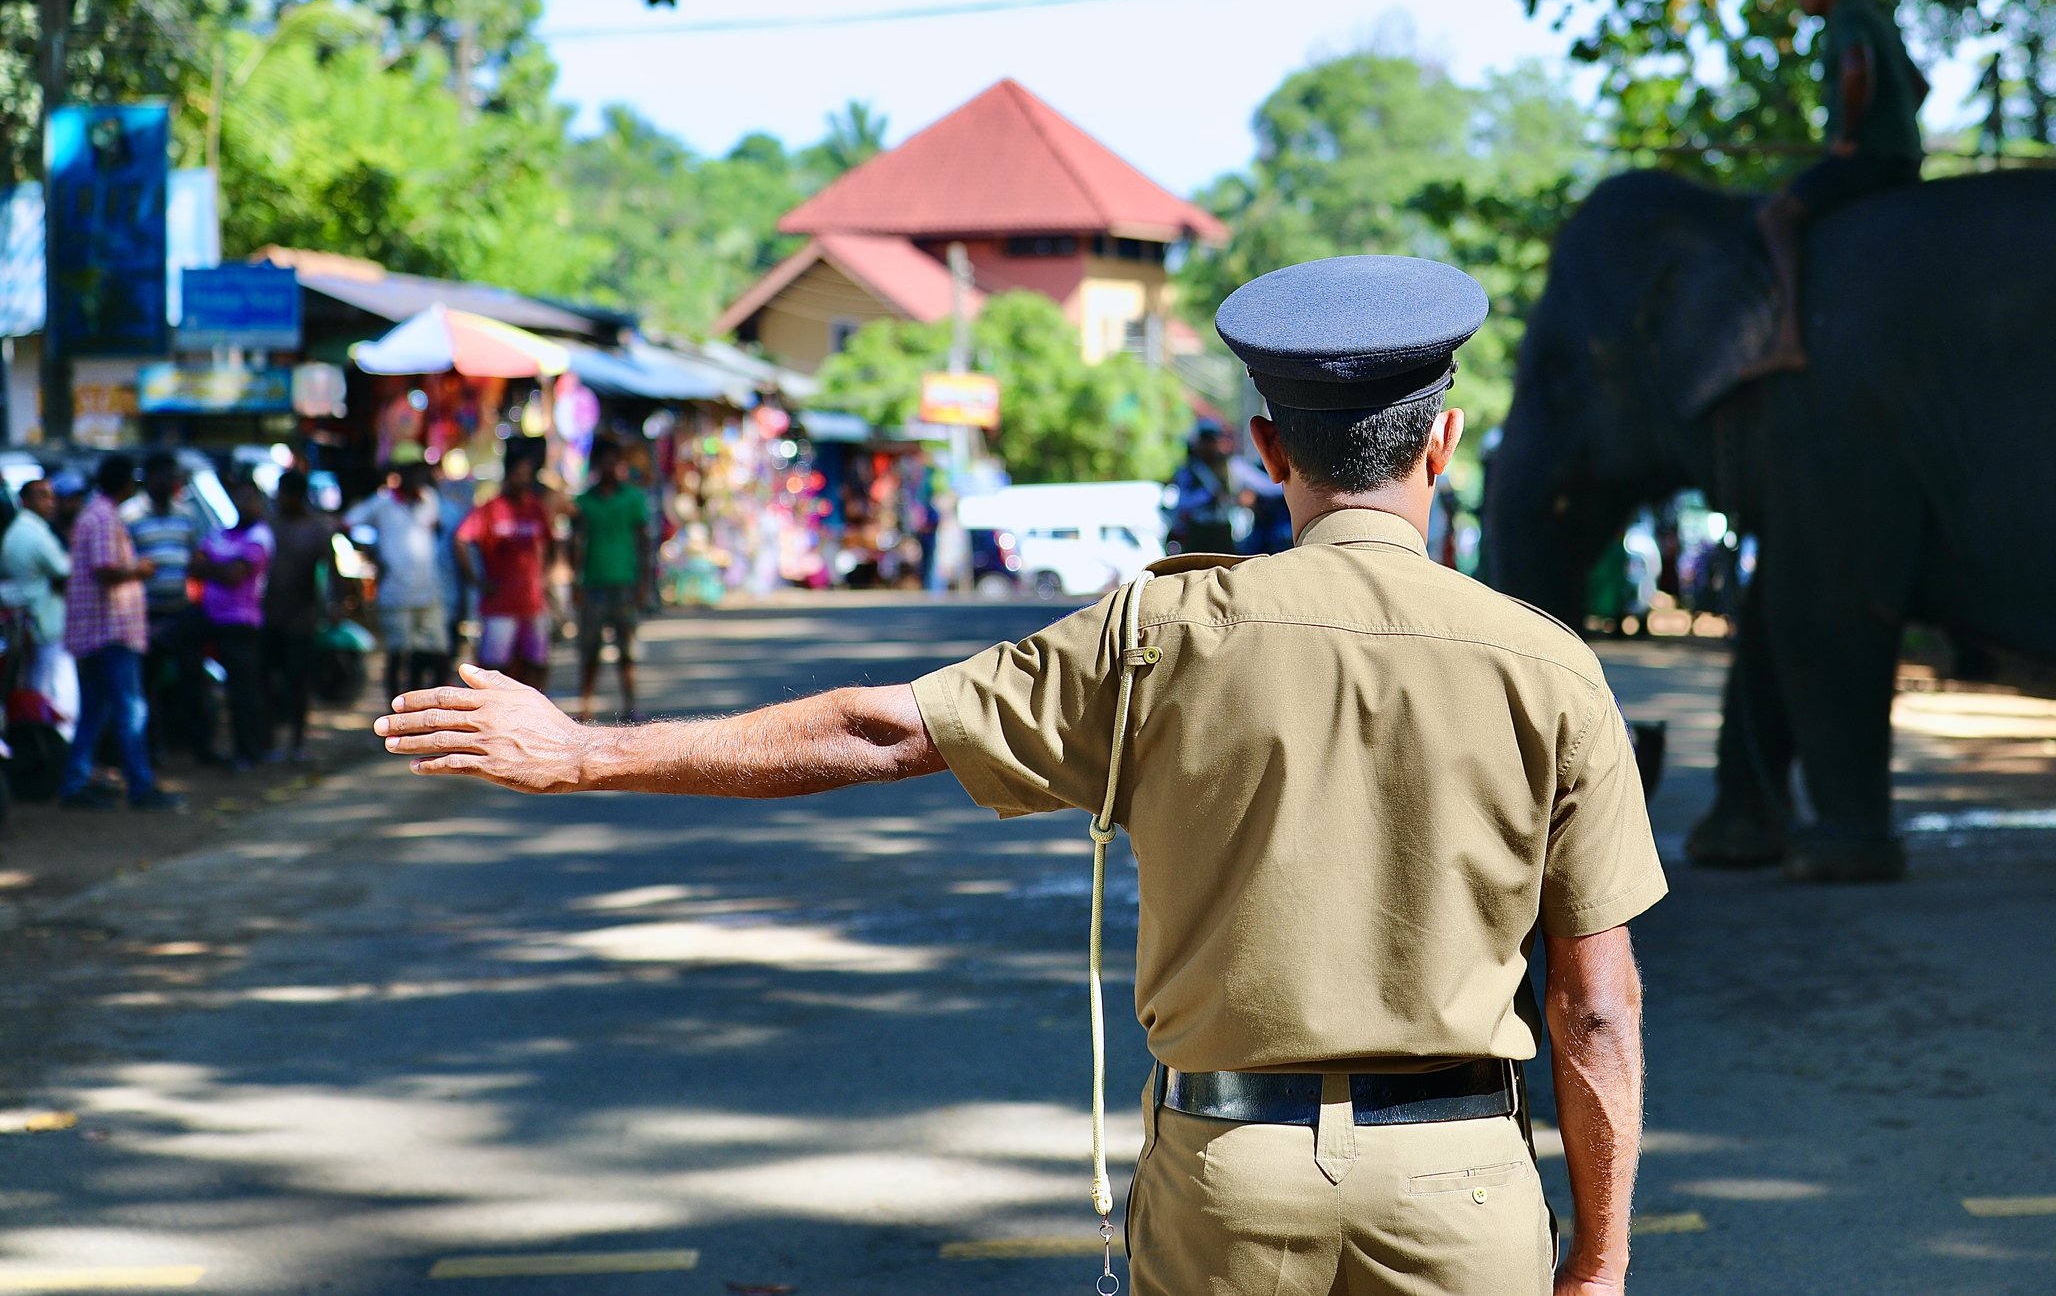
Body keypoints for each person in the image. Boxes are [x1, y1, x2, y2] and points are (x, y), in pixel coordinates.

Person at [378, 254, 1665, 1296]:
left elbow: (884, 730)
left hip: (1231, 1184)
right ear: (1444, 439)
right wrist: (1597, 1261)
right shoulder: (1546, 666)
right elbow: (1593, 1008)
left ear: (1270, 446)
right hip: (1461, 1193)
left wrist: (589, 750)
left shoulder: (1158, 631)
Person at [1750, 0, 1931, 375]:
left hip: (1870, 159)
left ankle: (1789, 336)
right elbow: (1920, 87)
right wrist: (1893, 125)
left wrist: (1850, 135)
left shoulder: (1845, 17)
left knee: (1775, 217)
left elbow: (1855, 67)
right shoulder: (1875, 15)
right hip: (1902, 157)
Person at [61, 454, 181, 811]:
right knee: (131, 709)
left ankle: (76, 782)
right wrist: (140, 570)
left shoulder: (97, 514)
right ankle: (141, 787)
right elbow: (105, 570)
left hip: (100, 630)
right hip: (108, 629)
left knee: (96, 710)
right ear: (127, 483)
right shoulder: (102, 517)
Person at [127, 452, 210, 764]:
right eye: (162, 475)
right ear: (148, 478)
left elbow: (197, 554)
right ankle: (152, 751)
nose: (168, 481)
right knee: (147, 688)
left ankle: (200, 747)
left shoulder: (185, 514)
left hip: (180, 611)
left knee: (194, 682)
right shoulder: (130, 515)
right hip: (146, 615)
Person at [346, 455, 449, 697]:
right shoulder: (382, 503)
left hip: (428, 591)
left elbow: (436, 529)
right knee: (398, 656)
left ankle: (425, 709)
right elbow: (347, 525)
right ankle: (395, 714)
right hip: (396, 593)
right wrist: (371, 553)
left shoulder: (429, 499)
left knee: (435, 654)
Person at [193, 474, 275, 770]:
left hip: (242, 623)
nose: (244, 503)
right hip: (212, 619)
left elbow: (234, 575)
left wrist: (214, 567)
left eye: (250, 498)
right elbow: (197, 565)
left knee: (244, 691)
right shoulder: (222, 532)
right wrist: (222, 568)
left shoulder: (261, 535)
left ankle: (249, 751)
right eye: (239, 497)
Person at [456, 453, 556, 690]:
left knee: (537, 661)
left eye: (526, 475)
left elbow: (550, 543)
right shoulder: (491, 509)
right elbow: (461, 538)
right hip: (499, 603)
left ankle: (537, 708)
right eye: (517, 474)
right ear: (507, 475)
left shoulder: (535, 508)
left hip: (532, 602)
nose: (521, 480)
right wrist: (475, 579)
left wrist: (546, 576)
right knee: (496, 667)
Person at [571, 441, 651, 723]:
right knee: (590, 650)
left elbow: (643, 542)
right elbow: (575, 545)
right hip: (593, 585)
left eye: (615, 462)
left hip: (624, 585)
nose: (611, 467)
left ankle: (631, 705)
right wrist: (574, 583)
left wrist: (644, 581)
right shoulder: (584, 502)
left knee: (626, 651)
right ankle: (585, 706)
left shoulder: (633, 499)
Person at [262, 471, 334, 763]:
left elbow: (332, 571)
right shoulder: (270, 524)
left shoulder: (317, 528)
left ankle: (297, 742)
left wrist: (333, 606)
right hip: (269, 615)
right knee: (267, 681)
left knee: (297, 682)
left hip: (301, 617)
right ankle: (269, 742)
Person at [2, 473, 80, 739]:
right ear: (25, 501)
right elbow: (66, 570)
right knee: (57, 697)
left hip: (34, 625)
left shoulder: (24, 530)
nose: (51, 503)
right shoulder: (31, 533)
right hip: (44, 626)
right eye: (43, 496)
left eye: (52, 497)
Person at [1164, 419, 1235, 555]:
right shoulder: (1188, 470)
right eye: (1206, 441)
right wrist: (1207, 495)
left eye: (1213, 441)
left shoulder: (1228, 466)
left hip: (1221, 528)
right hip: (1198, 529)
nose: (1210, 446)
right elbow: (1183, 501)